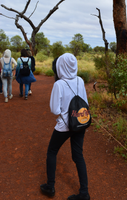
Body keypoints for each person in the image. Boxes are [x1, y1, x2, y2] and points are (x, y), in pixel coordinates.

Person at [40, 53, 90, 200]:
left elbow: (55, 110)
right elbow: (85, 102)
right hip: (80, 123)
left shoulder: (59, 84)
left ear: (61, 66)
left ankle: (50, 186)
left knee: (52, 151)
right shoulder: (80, 80)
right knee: (78, 156)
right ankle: (84, 193)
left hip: (64, 126)